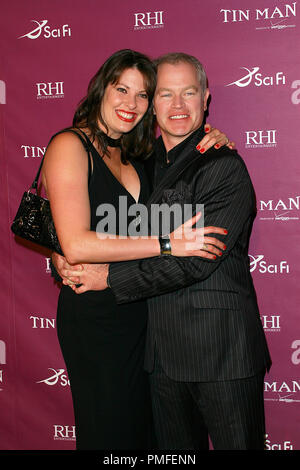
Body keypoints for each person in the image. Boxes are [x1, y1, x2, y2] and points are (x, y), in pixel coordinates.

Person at [56, 52, 272, 450]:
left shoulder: (223, 165)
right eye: (165, 94)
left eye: (188, 93)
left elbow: (196, 260)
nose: (176, 106)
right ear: (153, 104)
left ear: (205, 99)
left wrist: (108, 277)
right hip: (155, 357)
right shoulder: (141, 162)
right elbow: (101, 218)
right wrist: (61, 252)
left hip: (220, 352)